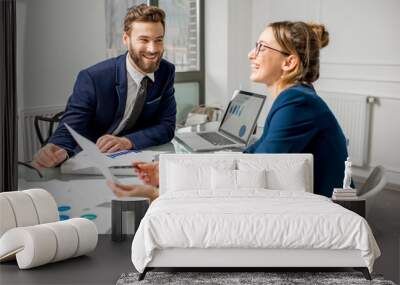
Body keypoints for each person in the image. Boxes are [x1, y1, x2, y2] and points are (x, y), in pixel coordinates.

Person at [108, 20, 348, 199]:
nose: (251, 54)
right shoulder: (297, 97)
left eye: (262, 47)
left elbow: (253, 175)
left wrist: (162, 191)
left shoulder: (297, 103)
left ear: (289, 62)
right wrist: (173, 171)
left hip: (318, 211)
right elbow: (251, 154)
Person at [32, 4, 176, 168]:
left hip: (134, 159)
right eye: (144, 40)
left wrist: (128, 141)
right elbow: (70, 128)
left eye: (158, 40)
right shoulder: (94, 78)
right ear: (126, 39)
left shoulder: (166, 71)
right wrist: (57, 148)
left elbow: (167, 126)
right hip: (90, 162)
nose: (153, 49)